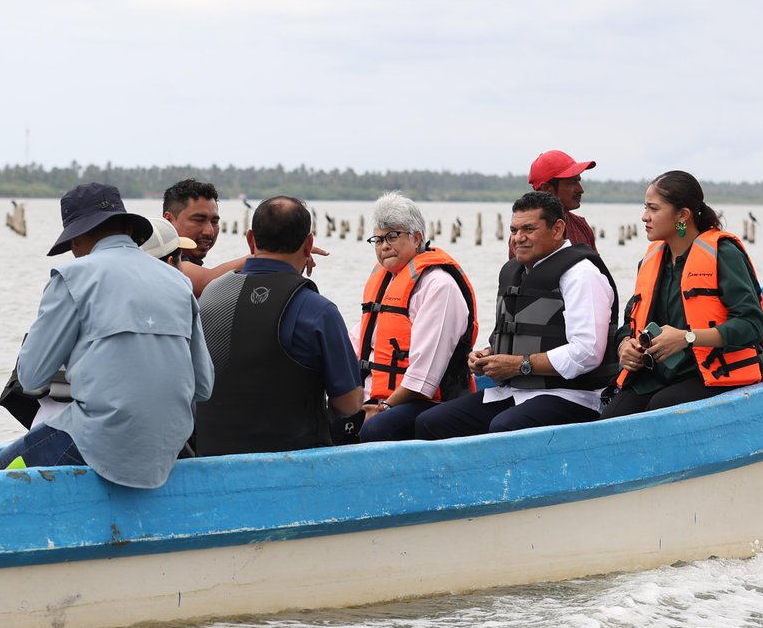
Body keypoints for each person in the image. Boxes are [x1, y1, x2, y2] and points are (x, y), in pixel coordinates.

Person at [0, 182, 213, 488]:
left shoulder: (73, 277)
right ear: (130, 229)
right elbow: (203, 385)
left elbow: (31, 377)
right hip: (168, 446)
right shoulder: (179, 283)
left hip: (99, 442)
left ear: (76, 239)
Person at [417, 192, 616, 439]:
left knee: (504, 427)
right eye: (513, 230)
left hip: (573, 396)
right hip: (513, 393)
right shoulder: (515, 273)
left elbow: (587, 353)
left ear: (557, 229)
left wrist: (519, 365)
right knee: (431, 423)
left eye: (529, 229)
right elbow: (517, 335)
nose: (518, 238)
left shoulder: (582, 275)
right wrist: (487, 356)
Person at [195, 196, 364, 456]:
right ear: (308, 245)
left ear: (250, 240)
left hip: (211, 451)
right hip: (290, 460)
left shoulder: (211, 294)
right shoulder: (319, 310)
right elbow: (350, 404)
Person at [605, 171, 763, 418]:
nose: (645, 217)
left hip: (710, 371)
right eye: (645, 208)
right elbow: (630, 321)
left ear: (682, 215)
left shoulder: (723, 254)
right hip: (659, 374)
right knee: (612, 417)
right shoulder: (651, 260)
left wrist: (688, 338)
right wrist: (624, 346)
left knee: (659, 409)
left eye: (653, 209)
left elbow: (752, 325)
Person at [0, 223, 198, 431]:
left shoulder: (83, 295)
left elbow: (30, 378)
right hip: (161, 434)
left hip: (82, 429)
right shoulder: (181, 293)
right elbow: (202, 386)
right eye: (181, 259)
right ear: (169, 263)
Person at [353, 191, 478, 442]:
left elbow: (424, 377)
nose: (384, 245)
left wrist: (383, 408)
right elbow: (355, 345)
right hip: (379, 396)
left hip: (431, 401)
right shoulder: (384, 281)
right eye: (378, 239)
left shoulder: (439, 286)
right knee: (328, 423)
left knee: (375, 430)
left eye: (393, 236)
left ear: (417, 238)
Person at [163, 178, 248, 296]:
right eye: (199, 220)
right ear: (169, 220)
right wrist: (261, 257)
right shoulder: (161, 258)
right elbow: (207, 283)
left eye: (214, 221)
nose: (209, 232)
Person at [519, 150, 597, 253]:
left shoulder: (581, 226)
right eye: (572, 182)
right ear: (546, 189)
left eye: (578, 181)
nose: (580, 190)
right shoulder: (524, 236)